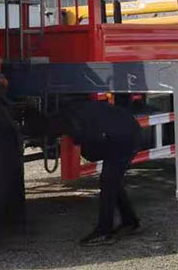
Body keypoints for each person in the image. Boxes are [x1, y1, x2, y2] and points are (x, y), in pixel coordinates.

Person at [58, 100, 143, 246]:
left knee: (108, 182)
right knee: (112, 181)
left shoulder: (76, 120)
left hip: (122, 139)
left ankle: (104, 231)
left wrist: (80, 142)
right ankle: (130, 221)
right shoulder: (79, 111)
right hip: (127, 132)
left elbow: (92, 151)